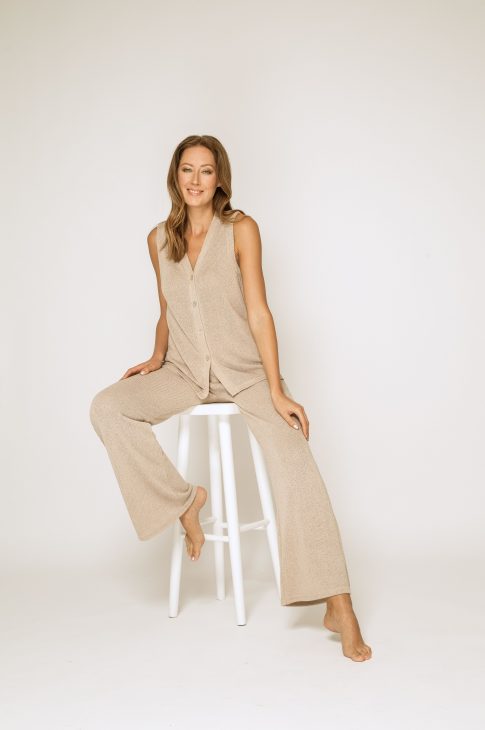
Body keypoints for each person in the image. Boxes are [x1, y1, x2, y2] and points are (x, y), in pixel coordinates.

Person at [89, 134, 372, 662]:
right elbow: (167, 309)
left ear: (220, 178)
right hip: (184, 372)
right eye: (187, 170)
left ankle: (339, 603)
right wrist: (155, 357)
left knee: (295, 458)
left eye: (206, 170)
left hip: (244, 374)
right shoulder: (158, 239)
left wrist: (277, 388)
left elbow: (259, 311)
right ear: (175, 176)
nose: (195, 180)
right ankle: (183, 502)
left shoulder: (241, 229)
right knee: (107, 406)